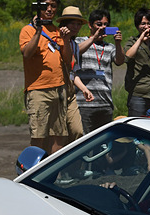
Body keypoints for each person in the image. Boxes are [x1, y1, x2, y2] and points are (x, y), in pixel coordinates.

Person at [19, 0, 72, 154]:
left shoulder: (57, 31)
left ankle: (54, 168)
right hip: (38, 90)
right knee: (38, 136)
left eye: (53, 6)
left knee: (59, 134)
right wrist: (38, 32)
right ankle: (36, 167)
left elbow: (68, 60)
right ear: (38, 7)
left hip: (59, 89)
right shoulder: (27, 30)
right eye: (45, 6)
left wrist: (66, 40)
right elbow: (27, 54)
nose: (49, 9)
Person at [75, 9, 124, 134]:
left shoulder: (110, 47)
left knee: (103, 140)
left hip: (105, 102)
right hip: (84, 103)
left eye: (106, 25)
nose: (102, 27)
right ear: (90, 25)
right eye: (99, 24)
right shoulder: (80, 41)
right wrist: (93, 38)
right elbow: (75, 52)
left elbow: (119, 61)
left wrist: (118, 43)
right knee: (84, 139)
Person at [57, 6, 93, 143]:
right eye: (72, 23)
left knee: (77, 131)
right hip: (57, 90)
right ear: (64, 24)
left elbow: (73, 72)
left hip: (70, 91)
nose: (76, 27)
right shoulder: (55, 40)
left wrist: (84, 89)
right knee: (59, 133)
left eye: (78, 24)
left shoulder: (74, 44)